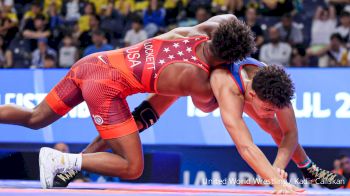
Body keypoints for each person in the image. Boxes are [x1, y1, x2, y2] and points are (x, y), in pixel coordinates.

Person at [0, 14, 301, 193]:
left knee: (35, 118)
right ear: (228, 58)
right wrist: (275, 179)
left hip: (91, 63)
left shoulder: (198, 32)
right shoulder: (197, 80)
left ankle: (69, 165)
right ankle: (63, 161)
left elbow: (231, 20)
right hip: (105, 89)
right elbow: (206, 110)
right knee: (132, 166)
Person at [54, 58, 346, 191]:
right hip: (200, 86)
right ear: (253, 94)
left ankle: (309, 169)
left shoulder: (276, 91)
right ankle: (76, 162)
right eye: (267, 108)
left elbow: (291, 133)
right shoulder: (227, 87)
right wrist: (276, 179)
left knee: (276, 128)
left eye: (275, 108)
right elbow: (245, 144)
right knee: (135, 122)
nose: (270, 113)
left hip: (235, 88)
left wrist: (279, 166)